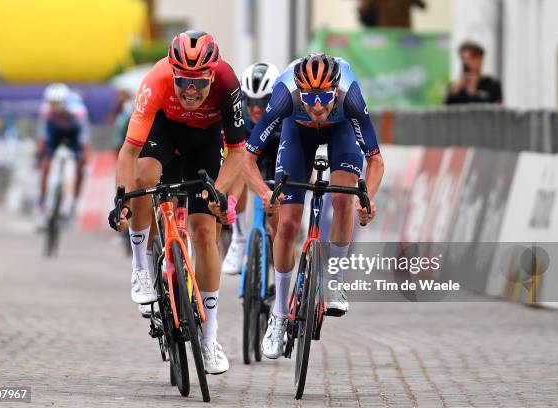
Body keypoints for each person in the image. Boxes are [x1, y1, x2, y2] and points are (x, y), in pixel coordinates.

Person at [108, 31, 246, 374]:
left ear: (212, 76)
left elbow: (239, 152)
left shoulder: (228, 83)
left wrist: (219, 191)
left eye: (199, 83)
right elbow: (128, 151)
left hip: (206, 142)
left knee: (204, 233)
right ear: (173, 73)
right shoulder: (155, 81)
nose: (190, 90)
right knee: (143, 180)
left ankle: (209, 338)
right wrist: (122, 199)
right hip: (164, 133)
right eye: (183, 80)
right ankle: (141, 267)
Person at [243, 53, 384, 359]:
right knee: (289, 222)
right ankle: (279, 315)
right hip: (298, 132)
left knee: (345, 198)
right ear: (299, 92)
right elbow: (248, 158)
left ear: (336, 91)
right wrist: (264, 193)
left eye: (324, 97)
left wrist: (368, 199)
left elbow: (375, 160)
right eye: (309, 97)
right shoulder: (285, 95)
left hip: (341, 129)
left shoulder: (350, 98)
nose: (317, 106)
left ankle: (334, 279)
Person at [221, 62, 282, 275]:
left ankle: (278, 241)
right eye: (251, 101)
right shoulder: (238, 111)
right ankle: (238, 236)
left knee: (280, 204)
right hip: (250, 154)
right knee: (236, 165)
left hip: (277, 154)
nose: (256, 108)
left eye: (263, 101)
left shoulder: (286, 111)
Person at [36, 83, 91, 226]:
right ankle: (42, 203)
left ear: (64, 101)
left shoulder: (78, 110)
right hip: (55, 134)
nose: (53, 106)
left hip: (72, 135)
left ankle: (73, 202)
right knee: (46, 166)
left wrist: (84, 157)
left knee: (79, 168)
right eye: (51, 103)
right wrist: (39, 155)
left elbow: (83, 136)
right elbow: (43, 135)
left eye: (56, 103)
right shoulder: (45, 110)